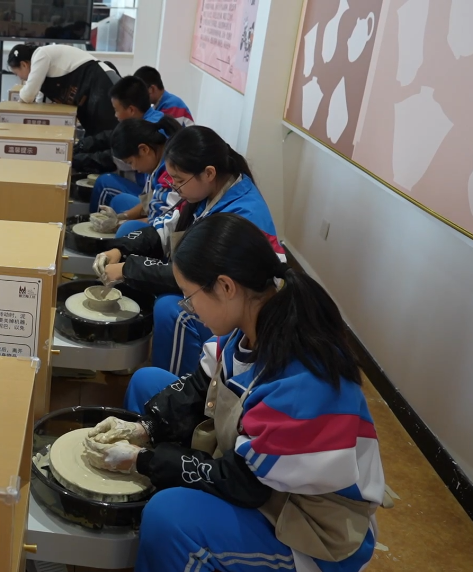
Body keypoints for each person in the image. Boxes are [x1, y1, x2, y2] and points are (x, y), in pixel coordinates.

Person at [85, 213, 385, 572]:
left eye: (189, 296)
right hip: (264, 479)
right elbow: (201, 387)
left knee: (169, 516)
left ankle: (171, 539)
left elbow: (244, 484)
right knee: (148, 381)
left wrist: (143, 460)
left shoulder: (302, 379)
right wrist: (144, 429)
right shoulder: (252, 323)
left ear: (226, 287)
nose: (188, 307)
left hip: (310, 526)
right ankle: (155, 534)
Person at [93, 126, 283, 376]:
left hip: (242, 317)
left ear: (209, 173)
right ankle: (132, 343)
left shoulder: (241, 213)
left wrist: (127, 269)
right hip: (216, 289)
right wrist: (119, 249)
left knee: (171, 309)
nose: (174, 187)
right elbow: (165, 228)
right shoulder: (209, 193)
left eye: (179, 180)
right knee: (131, 235)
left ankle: (172, 379)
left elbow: (199, 277)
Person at [87, 116, 183, 238]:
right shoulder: (157, 159)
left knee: (126, 229)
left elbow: (161, 222)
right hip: (162, 217)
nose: (133, 168)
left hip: (172, 229)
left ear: (144, 149)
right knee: (119, 201)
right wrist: (123, 216)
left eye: (130, 162)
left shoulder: (170, 172)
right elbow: (150, 201)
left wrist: (119, 225)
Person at [8, 43, 120, 137]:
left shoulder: (41, 55)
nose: (20, 78)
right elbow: (41, 104)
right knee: (96, 137)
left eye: (16, 73)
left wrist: (20, 100)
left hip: (99, 81)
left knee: (110, 132)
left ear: (23, 65)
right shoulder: (42, 73)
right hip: (89, 93)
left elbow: (28, 95)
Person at [74, 74, 155, 175]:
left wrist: (79, 160)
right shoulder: (148, 117)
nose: (115, 115)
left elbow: (114, 158)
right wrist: (83, 145)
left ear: (131, 110)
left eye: (116, 110)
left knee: (104, 179)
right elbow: (112, 136)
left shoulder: (147, 129)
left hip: (141, 180)